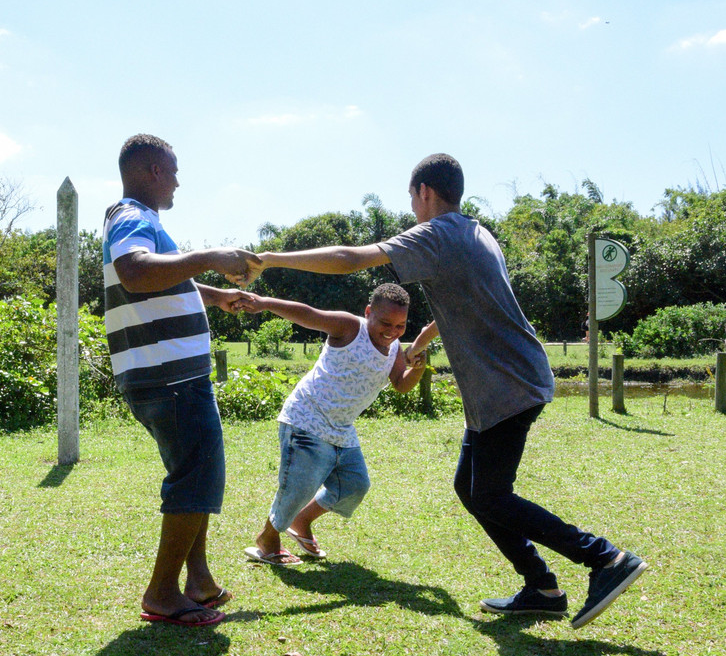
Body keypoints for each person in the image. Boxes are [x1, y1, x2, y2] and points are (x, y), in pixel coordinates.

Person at [240, 153, 647, 629]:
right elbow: (477, 302)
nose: (413, 208)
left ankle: (605, 559)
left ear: (424, 192)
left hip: (507, 385)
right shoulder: (477, 233)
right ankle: (541, 587)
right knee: (472, 489)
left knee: (491, 494)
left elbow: (353, 259)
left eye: (412, 198)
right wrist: (426, 339)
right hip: (499, 386)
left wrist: (266, 259)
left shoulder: (439, 232)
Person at [104, 133, 259, 627]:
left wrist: (213, 296)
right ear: (152, 171)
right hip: (168, 377)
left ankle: (199, 581)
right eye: (172, 171)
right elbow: (134, 271)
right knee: (196, 478)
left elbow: (167, 277)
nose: (177, 181)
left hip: (171, 374)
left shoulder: (140, 221)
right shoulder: (130, 216)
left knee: (196, 476)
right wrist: (211, 254)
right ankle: (163, 594)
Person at [236, 285, 439, 566]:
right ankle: (267, 540)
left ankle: (301, 521)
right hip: (307, 418)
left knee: (355, 485)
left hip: (342, 428)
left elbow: (401, 384)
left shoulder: (394, 348)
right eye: (385, 323)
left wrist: (416, 368)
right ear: (368, 312)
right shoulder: (349, 327)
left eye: (400, 325)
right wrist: (266, 303)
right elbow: (307, 314)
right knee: (299, 488)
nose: (392, 331)